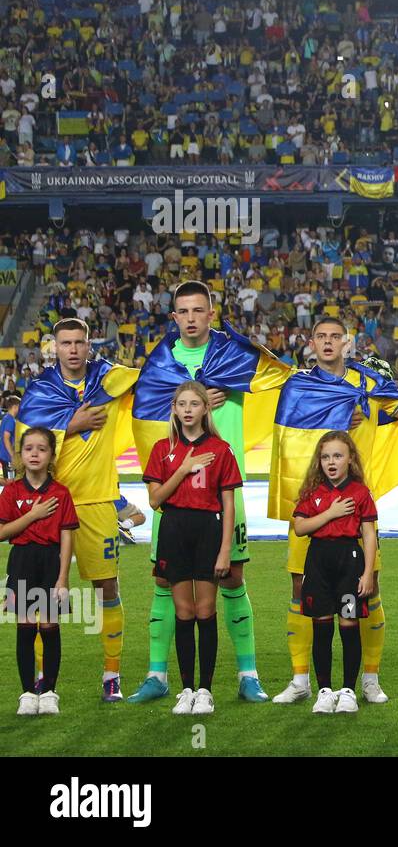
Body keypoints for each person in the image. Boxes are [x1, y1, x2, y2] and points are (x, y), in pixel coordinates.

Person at [128, 280, 291, 704]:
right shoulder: (159, 364)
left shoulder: (234, 357)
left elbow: (284, 379)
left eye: (199, 310)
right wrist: (193, 400)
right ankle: (157, 675)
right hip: (176, 493)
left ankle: (247, 674)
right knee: (165, 580)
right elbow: (144, 411)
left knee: (233, 577)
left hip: (223, 490)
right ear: (174, 317)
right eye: (183, 311)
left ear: (211, 313)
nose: (191, 318)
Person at [270, 318, 398, 706]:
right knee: (300, 592)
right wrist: (334, 421)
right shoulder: (298, 386)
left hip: (356, 512)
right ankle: (301, 680)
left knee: (369, 589)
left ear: (347, 343)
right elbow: (292, 442)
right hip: (312, 506)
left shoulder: (368, 384)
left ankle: (369, 679)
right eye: (321, 337)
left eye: (335, 337)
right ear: (311, 343)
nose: (328, 343)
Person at [16, 318, 138, 701]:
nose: (72, 349)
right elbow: (28, 445)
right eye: (65, 342)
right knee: (40, 594)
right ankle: (40, 676)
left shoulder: (108, 379)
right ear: (55, 347)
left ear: (89, 345)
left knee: (107, 587)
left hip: (98, 501)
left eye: (79, 342)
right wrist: (72, 423)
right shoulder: (40, 390)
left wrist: (205, 390)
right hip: (49, 502)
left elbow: (154, 378)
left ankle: (111, 675)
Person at [141, 382, 241, 716]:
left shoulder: (220, 449)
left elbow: (228, 505)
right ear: (173, 409)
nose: (187, 410)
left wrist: (226, 549)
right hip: (174, 529)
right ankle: (186, 689)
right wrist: (183, 467)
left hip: (207, 531)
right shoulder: (162, 449)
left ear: (204, 409)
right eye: (181, 404)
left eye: (194, 404)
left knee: (205, 610)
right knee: (183, 611)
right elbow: (155, 500)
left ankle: (205, 690)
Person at [292, 431, 379, 715]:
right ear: (319, 461)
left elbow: (368, 534)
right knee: (322, 628)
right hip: (318, 562)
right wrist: (330, 513)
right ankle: (325, 691)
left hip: (349, 564)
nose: (331, 462)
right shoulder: (312, 492)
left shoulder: (360, 492)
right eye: (326, 456)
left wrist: (367, 573)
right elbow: (300, 527)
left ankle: (348, 691)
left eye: (338, 456)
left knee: (349, 627)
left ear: (350, 459)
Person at [0, 427, 76, 716]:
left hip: (50, 562)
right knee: (25, 628)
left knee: (49, 627)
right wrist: (32, 515)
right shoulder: (12, 492)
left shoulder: (60, 492)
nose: (34, 453)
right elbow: (2, 531)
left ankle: (49, 693)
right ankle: (27, 693)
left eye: (41, 449)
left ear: (51, 456)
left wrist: (63, 577)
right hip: (21, 560)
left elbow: (68, 535)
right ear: (20, 455)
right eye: (29, 448)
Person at [0, 395, 19, 478]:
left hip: (4, 454)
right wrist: (12, 455)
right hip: (7, 456)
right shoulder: (10, 420)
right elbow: (6, 438)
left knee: (9, 480)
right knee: (10, 482)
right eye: (19, 407)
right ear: (15, 407)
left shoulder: (5, 418)